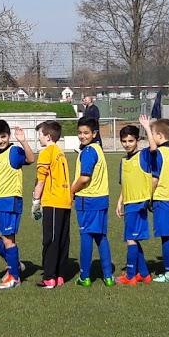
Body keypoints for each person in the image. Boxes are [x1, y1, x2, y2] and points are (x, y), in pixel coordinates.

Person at [0, 120, 35, 290]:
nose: (0, 140)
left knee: (8, 240)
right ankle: (15, 264)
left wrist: (23, 141)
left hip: (10, 201)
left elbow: (31, 159)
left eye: (3, 136)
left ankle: (15, 277)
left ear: (8, 136)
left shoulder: (14, 151)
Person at [71, 116, 114, 287]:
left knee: (86, 237)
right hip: (102, 198)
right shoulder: (98, 149)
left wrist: (71, 191)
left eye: (86, 133)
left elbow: (84, 178)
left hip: (88, 200)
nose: (82, 136)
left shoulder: (88, 152)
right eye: (80, 133)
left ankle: (85, 276)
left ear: (94, 133)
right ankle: (108, 276)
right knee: (101, 237)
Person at [142, 115, 169, 282]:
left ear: (159, 136)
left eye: (151, 134)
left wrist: (148, 197)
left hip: (164, 199)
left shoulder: (159, 153)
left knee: (166, 236)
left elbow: (155, 178)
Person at [31, 119, 71, 288]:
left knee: (50, 239)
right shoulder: (60, 152)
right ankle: (60, 275)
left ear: (47, 136)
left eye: (40, 134)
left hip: (53, 200)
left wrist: (35, 200)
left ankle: (49, 276)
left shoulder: (47, 152)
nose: (39, 138)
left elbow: (41, 179)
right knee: (62, 239)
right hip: (65, 201)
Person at [115, 123, 156, 285]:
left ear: (137, 140)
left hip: (139, 203)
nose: (127, 144)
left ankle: (130, 275)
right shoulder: (123, 161)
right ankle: (144, 274)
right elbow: (125, 185)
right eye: (124, 141)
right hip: (129, 203)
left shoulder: (144, 155)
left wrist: (147, 127)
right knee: (132, 239)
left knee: (131, 239)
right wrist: (120, 202)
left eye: (130, 141)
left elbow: (153, 148)